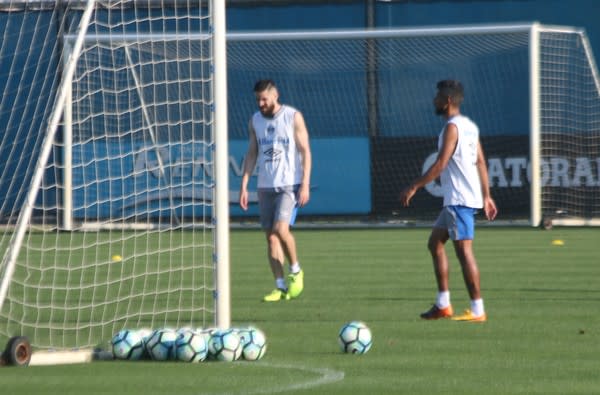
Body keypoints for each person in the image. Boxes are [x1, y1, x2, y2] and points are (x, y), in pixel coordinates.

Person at [399, 79, 498, 322]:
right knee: (435, 243)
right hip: (462, 199)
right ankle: (443, 305)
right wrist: (486, 195)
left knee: (464, 252)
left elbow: (441, 163)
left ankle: (477, 310)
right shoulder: (470, 126)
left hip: (459, 200)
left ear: (448, 101)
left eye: (438, 97)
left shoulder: (452, 128)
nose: (435, 100)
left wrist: (414, 186)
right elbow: (481, 161)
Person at [239, 79, 312, 302]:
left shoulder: (292, 116)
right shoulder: (255, 121)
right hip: (264, 186)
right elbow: (252, 153)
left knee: (281, 230)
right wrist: (244, 184)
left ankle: (296, 270)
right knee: (270, 238)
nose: (261, 103)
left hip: (289, 184)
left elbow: (305, 151)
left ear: (275, 95)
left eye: (264, 99)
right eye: (258, 99)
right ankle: (280, 287)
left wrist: (306, 183)